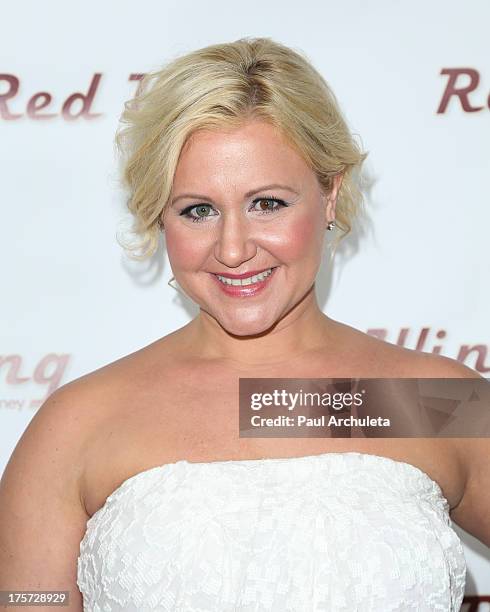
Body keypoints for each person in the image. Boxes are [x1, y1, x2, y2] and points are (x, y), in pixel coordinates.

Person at [0, 36, 488, 612]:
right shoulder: (78, 424)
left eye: (268, 203)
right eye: (198, 210)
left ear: (329, 194)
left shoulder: (429, 401)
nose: (233, 250)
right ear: (161, 216)